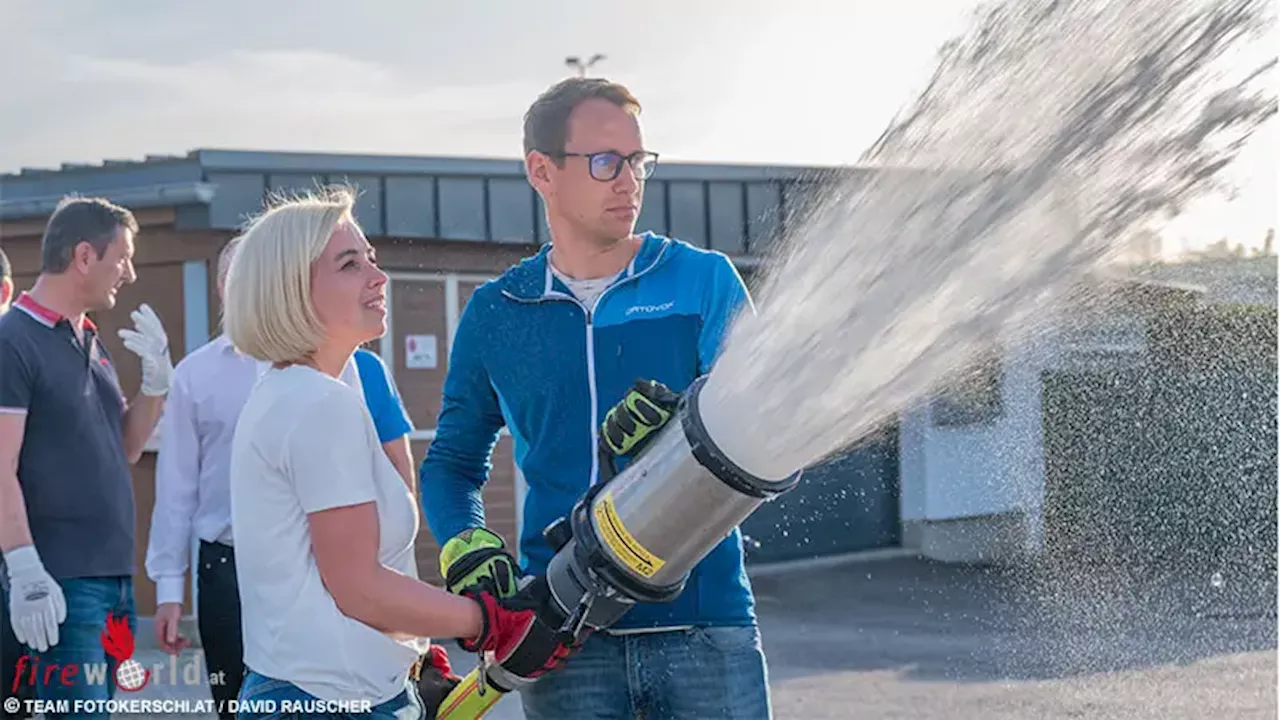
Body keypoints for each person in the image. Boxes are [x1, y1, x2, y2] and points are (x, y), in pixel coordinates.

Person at [418, 76, 769, 720]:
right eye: (606, 162)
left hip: (704, 628)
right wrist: (464, 539)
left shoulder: (703, 281)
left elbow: (767, 430)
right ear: (542, 171)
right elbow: (453, 463)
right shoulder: (498, 311)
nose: (629, 179)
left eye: (638, 161)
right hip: (562, 640)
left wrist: (686, 434)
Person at [220, 187, 578, 719]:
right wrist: (487, 620)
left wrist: (412, 647)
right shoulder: (319, 405)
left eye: (372, 259)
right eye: (349, 264)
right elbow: (359, 590)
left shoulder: (292, 393)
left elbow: (337, 580)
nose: (377, 276)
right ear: (292, 288)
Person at [144, 236, 419, 718]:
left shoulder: (356, 365)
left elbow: (395, 471)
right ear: (222, 288)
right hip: (228, 568)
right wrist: (169, 589)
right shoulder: (197, 374)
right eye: (233, 279)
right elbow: (176, 488)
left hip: (328, 562)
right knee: (242, 699)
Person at [0, 197, 173, 719]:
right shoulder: (13, 339)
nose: (130, 273)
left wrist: (156, 384)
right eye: (122, 258)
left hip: (110, 582)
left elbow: (124, 447)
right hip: (61, 582)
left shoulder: (88, 340)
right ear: (83, 255)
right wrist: (24, 567)